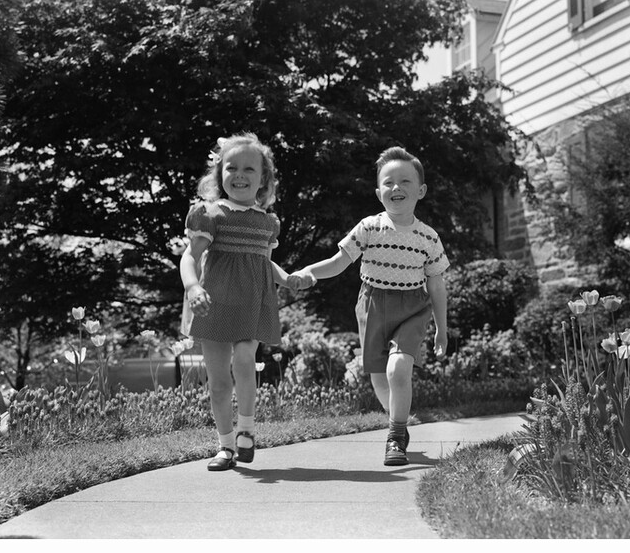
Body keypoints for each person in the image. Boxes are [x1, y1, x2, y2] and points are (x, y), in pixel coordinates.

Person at [292, 146, 449, 466]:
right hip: (372, 304)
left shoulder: (429, 238)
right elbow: (338, 262)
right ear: (379, 193)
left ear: (421, 191)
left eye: (405, 181)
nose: (396, 187)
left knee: (397, 369)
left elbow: (436, 285)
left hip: (412, 308)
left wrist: (441, 329)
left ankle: (396, 435)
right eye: (388, 182)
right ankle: (398, 419)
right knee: (379, 378)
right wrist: (308, 272)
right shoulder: (368, 228)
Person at [180, 133, 312, 471]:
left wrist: (287, 278)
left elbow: (263, 262)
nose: (239, 175)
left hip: (253, 302)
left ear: (263, 178)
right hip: (215, 303)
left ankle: (247, 431)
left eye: (249, 169)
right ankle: (225, 446)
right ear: (219, 174)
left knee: (243, 358)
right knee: (219, 382)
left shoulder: (267, 222)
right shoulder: (211, 214)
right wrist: (193, 287)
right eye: (231, 168)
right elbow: (189, 257)